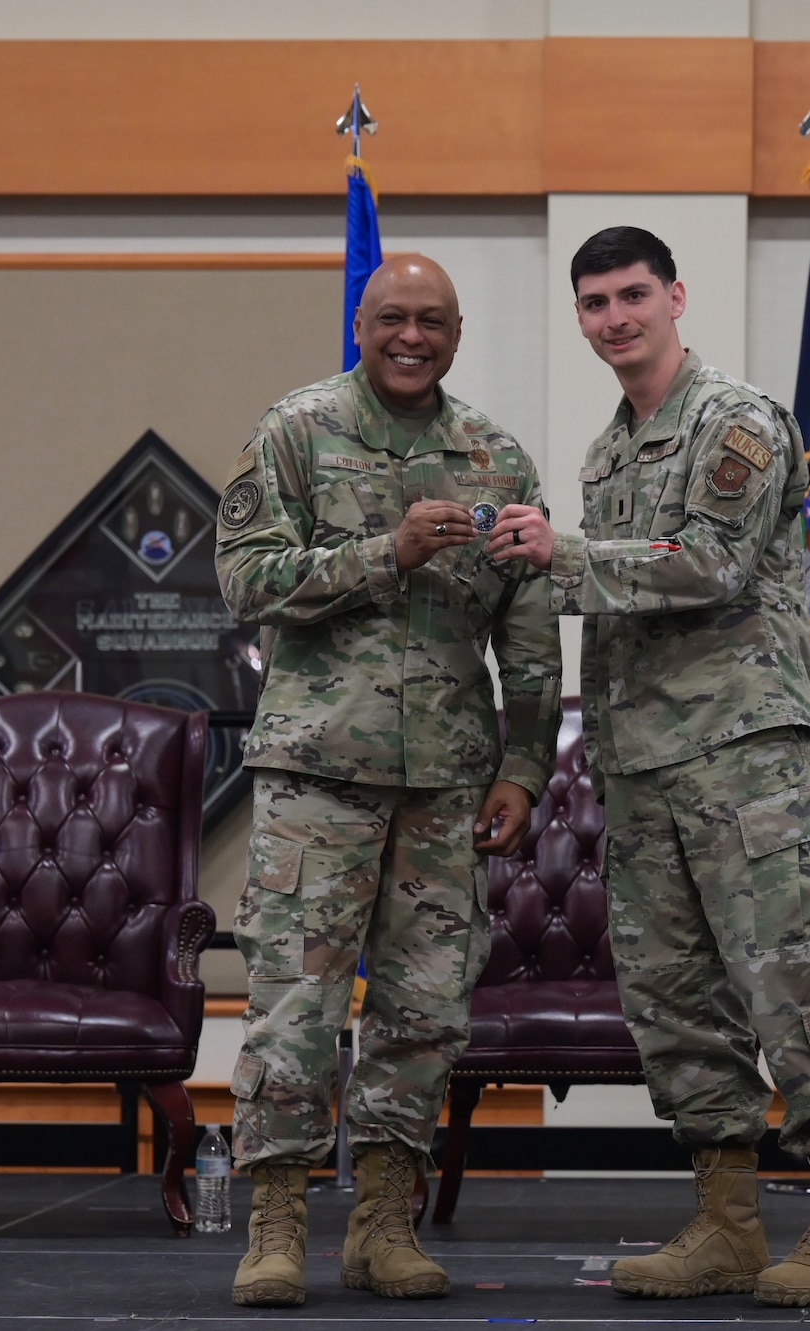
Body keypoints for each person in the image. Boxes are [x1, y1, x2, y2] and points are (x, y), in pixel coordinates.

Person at [487, 227, 810, 1308]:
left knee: (781, 985)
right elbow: (617, 597)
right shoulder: (610, 452)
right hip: (643, 763)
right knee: (672, 1004)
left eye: (630, 296)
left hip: (739, 756)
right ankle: (726, 1222)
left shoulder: (737, 421)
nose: (612, 319)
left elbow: (707, 564)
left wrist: (557, 553)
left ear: (675, 296)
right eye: (592, 304)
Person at [216, 255, 562, 1308]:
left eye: (432, 323)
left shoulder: (492, 452)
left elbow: (531, 630)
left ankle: (383, 1218)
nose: (411, 337)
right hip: (318, 775)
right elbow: (242, 580)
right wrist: (385, 552)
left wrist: (524, 764)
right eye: (392, 319)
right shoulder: (295, 429)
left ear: (456, 334)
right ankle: (275, 1221)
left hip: (446, 785)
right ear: (360, 323)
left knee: (423, 1010)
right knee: (296, 1007)